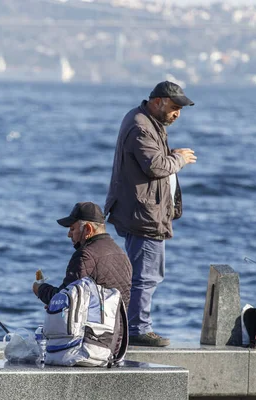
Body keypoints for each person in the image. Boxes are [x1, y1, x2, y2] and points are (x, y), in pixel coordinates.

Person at [104, 81, 197, 347]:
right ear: (157, 102)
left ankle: (132, 325)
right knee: (146, 275)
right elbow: (155, 166)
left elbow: (149, 159)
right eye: (174, 107)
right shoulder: (141, 126)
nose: (177, 114)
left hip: (142, 211)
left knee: (144, 272)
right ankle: (137, 328)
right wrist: (178, 159)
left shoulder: (147, 121)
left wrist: (171, 153)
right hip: (143, 215)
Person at [33, 202, 132, 310]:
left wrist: (39, 289)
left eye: (72, 229)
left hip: (91, 326)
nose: (69, 234)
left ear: (88, 229)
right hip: (118, 326)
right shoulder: (121, 254)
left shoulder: (85, 256)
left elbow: (64, 298)